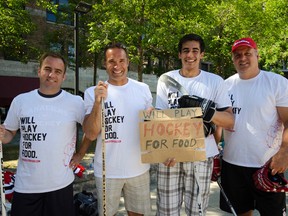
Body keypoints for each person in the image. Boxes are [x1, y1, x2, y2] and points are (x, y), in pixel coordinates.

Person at [155, 33, 234, 215]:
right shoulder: (165, 79)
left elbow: (230, 120)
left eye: (195, 51)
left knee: (196, 211)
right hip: (170, 155)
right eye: (186, 51)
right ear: (179, 55)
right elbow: (160, 118)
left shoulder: (215, 81)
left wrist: (209, 112)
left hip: (201, 154)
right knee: (166, 211)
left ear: (202, 54)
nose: (190, 55)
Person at [0, 52, 85, 216]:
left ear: (64, 76)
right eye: (47, 69)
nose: (52, 74)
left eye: (58, 71)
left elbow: (91, 129)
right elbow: (10, 132)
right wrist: (3, 135)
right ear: (38, 71)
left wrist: (81, 153)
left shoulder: (75, 102)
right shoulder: (20, 101)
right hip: (26, 185)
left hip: (60, 186)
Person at [81, 42, 153, 216]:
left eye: (122, 61)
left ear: (128, 62)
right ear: (105, 64)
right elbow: (90, 133)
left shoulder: (143, 89)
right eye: (112, 61)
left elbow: (150, 128)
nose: (117, 66)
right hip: (107, 171)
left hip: (139, 169)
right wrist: (98, 102)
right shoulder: (92, 92)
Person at [220, 37, 288, 216]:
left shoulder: (276, 82)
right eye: (237, 55)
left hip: (267, 164)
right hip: (232, 163)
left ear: (257, 55)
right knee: (241, 213)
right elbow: (219, 121)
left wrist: (284, 152)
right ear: (233, 59)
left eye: (248, 53)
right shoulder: (225, 85)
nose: (243, 58)